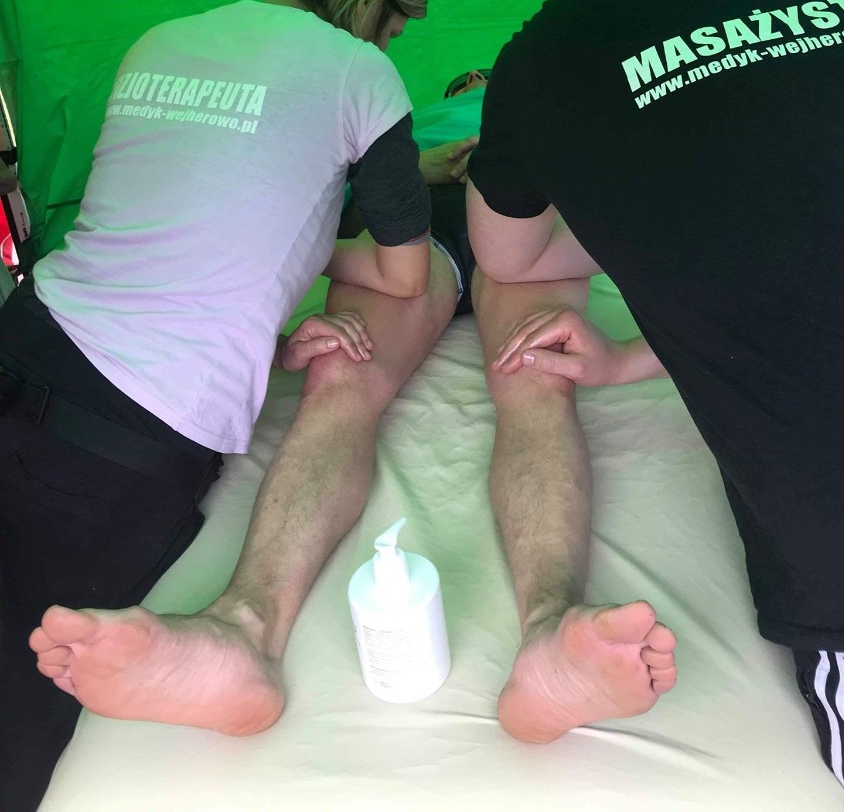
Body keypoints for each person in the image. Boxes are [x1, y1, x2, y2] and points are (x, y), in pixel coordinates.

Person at [27, 65, 676, 761]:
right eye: (471, 78)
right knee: (341, 373)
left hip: (530, 239)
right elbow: (297, 204)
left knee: (540, 375)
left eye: (488, 75)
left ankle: (551, 629)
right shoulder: (410, 124)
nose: (480, 79)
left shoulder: (539, 108)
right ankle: (242, 630)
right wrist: (420, 168)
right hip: (410, 241)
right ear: (455, 87)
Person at [467, 0, 844, 804]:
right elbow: (835, 225)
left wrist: (637, 209)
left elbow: (508, 256)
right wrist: (631, 355)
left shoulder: (549, 51)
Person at [0, 0, 435, 812]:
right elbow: (403, 276)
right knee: (20, 690)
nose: (390, 44)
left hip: (25, 334)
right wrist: (310, 247)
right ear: (371, 0)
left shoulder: (158, 40)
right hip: (124, 431)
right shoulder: (361, 73)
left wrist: (263, 327)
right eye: (394, 26)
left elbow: (165, 228)